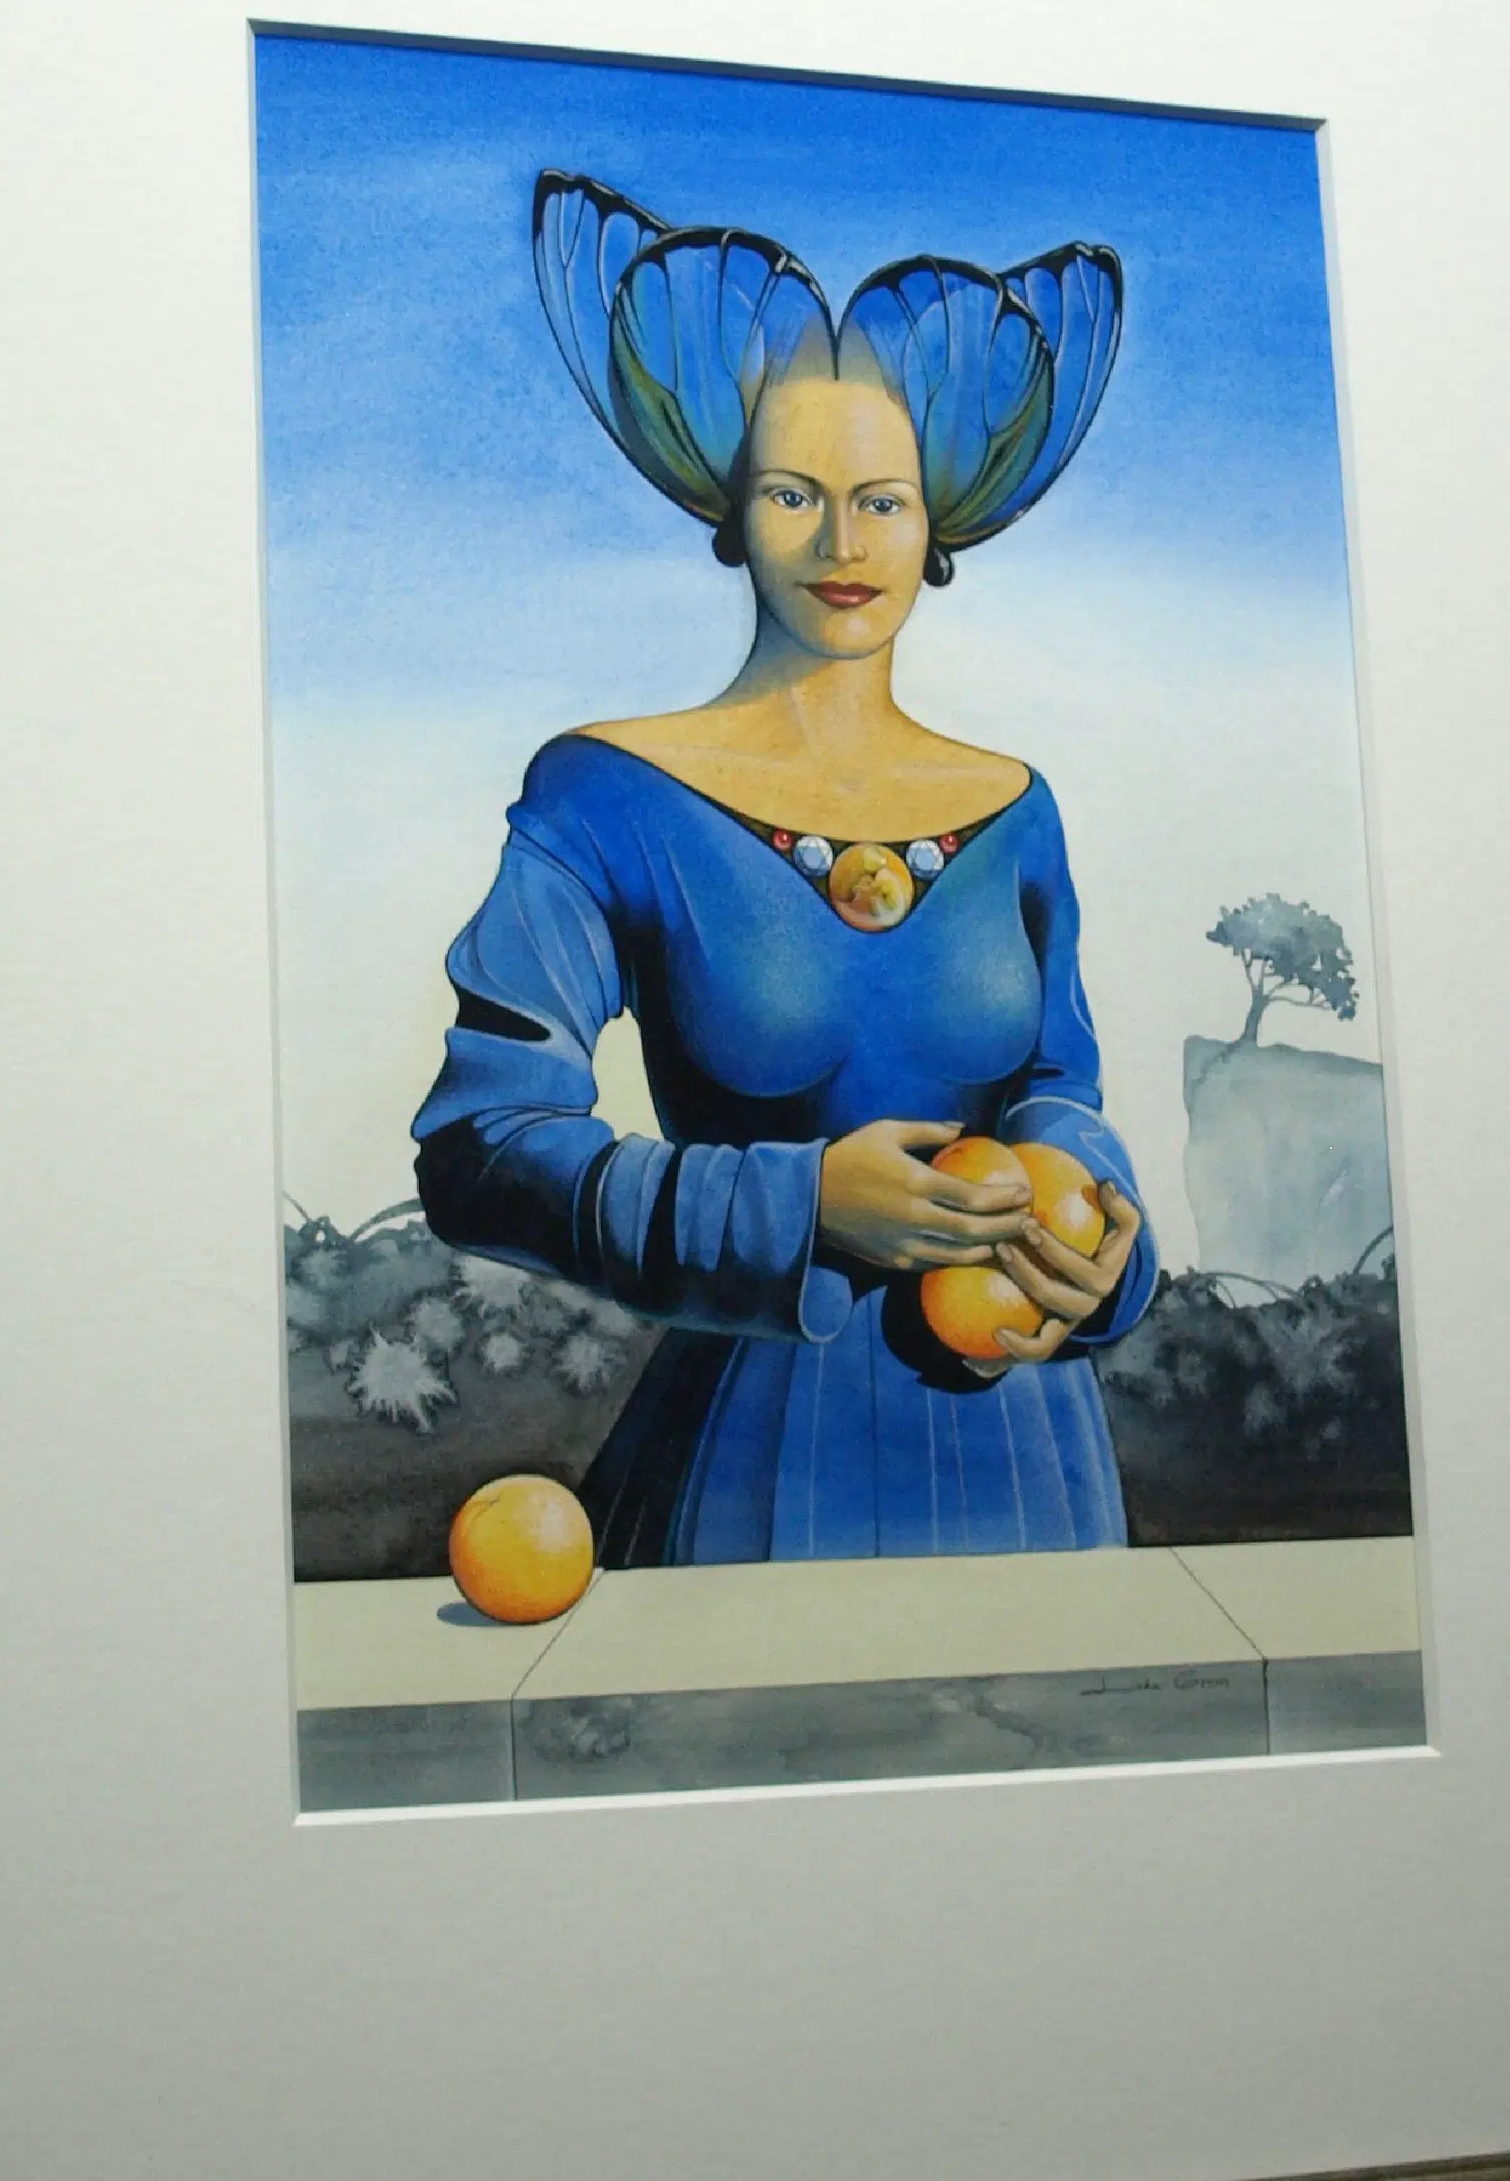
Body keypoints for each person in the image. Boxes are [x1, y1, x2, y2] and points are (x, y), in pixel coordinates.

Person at [412, 172, 1155, 1566]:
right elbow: (480, 1150)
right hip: (752, 1471)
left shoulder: (1016, 807)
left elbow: (1061, 1085)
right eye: (795, 495)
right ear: (730, 514)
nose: (841, 545)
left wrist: (1098, 1221)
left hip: (1035, 1463)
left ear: (939, 529)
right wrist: (801, 1208)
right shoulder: (603, 792)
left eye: (883, 501)